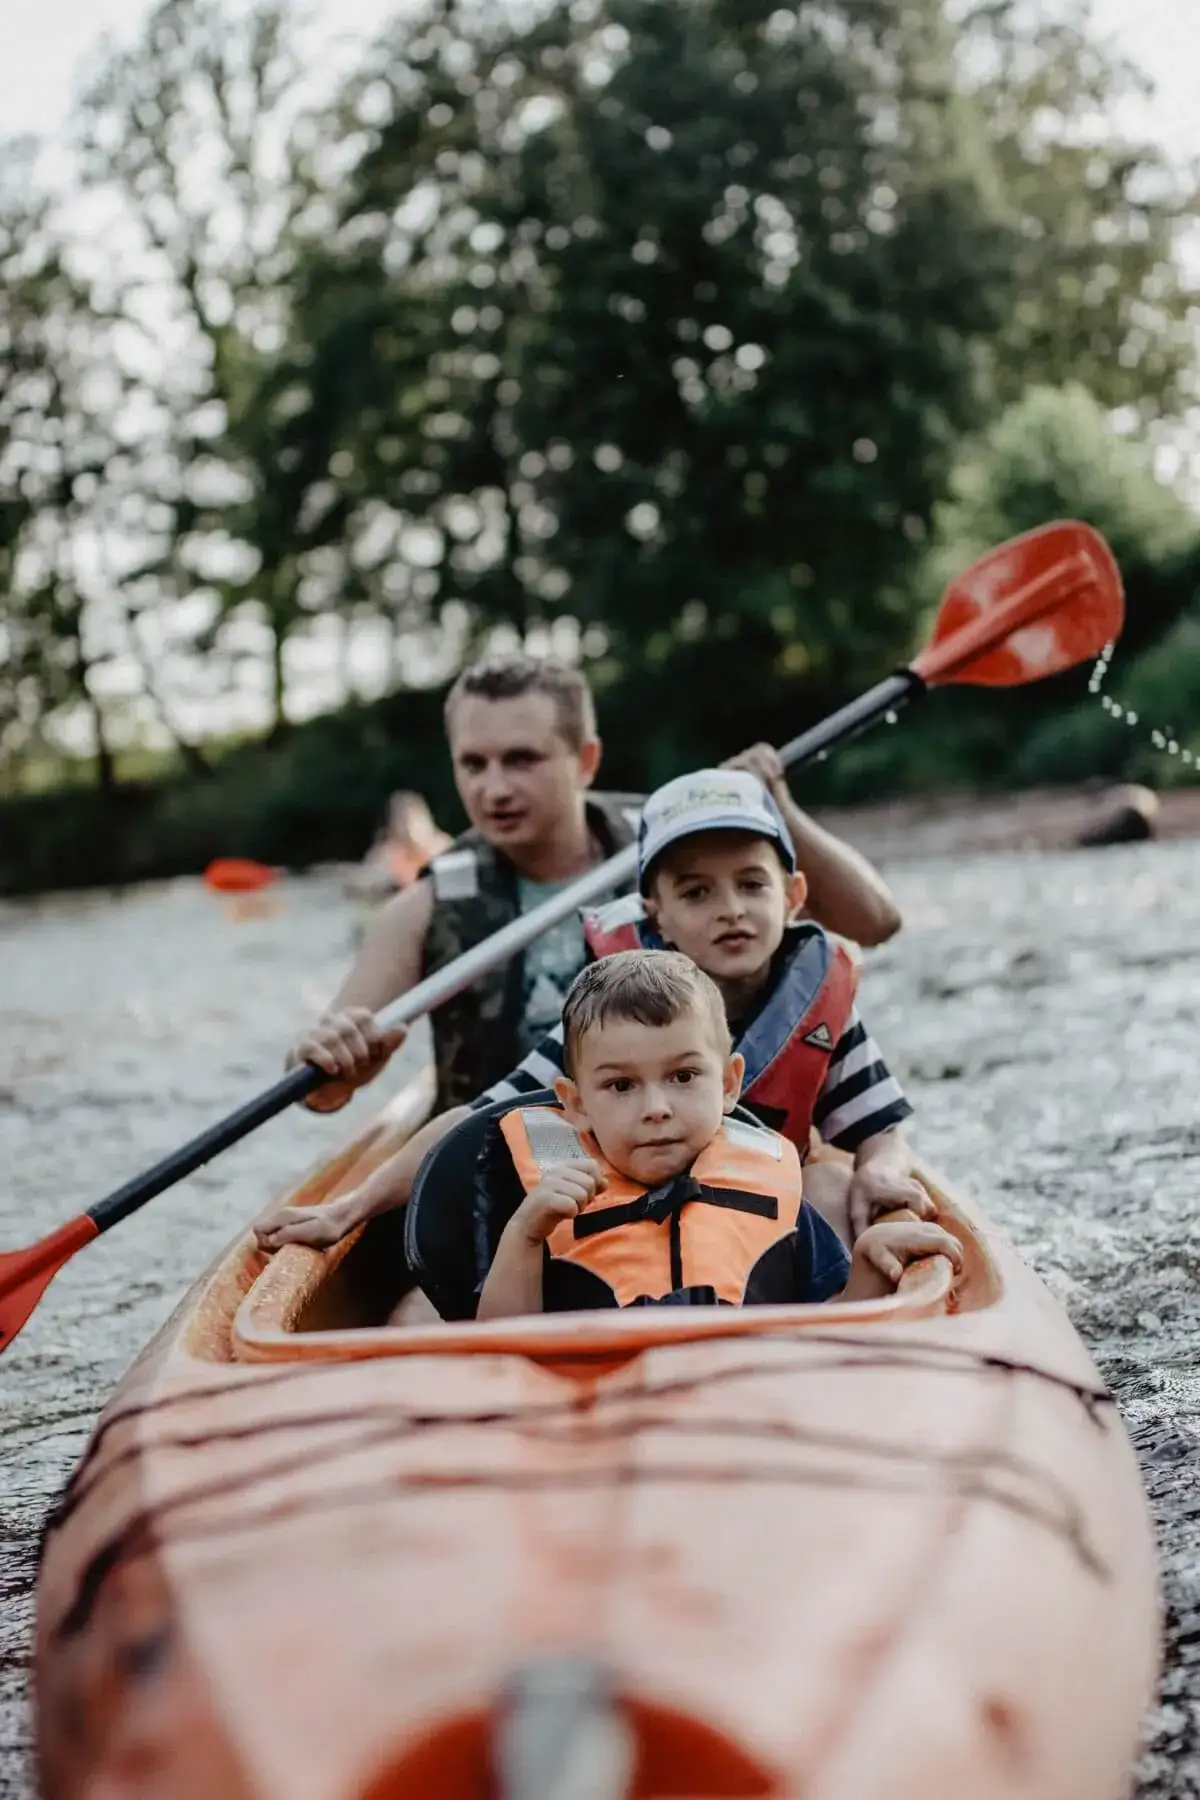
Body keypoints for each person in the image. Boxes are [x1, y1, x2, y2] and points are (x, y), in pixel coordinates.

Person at [257, 768, 916, 1259]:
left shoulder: (823, 1006)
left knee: (832, 1191)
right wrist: (350, 1208)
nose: (732, 910)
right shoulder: (609, 1010)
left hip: (756, 1229)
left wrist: (883, 1172)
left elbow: (879, 1127)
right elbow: (473, 1121)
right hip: (624, 1233)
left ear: (794, 895)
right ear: (654, 912)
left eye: (752, 884)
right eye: (696, 892)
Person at [282, 651, 902, 1122]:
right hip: (512, 1154)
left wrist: (775, 806)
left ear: (585, 761)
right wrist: (335, 1061)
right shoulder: (424, 906)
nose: (493, 789)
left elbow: (876, 923)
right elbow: (322, 1093)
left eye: (522, 760)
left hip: (678, 1133)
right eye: (474, 764)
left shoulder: (680, 847)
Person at [475, 951, 960, 1319]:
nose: (657, 1110)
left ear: (728, 1084)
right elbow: (499, 1354)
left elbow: (829, 1334)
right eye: (621, 1086)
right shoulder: (538, 1214)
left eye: (683, 1077)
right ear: (577, 1104)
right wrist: (523, 1236)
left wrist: (871, 1270)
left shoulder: (776, 1194)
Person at [342, 792, 452, 902]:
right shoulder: (389, 853)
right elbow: (367, 882)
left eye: (413, 821)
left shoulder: (443, 847)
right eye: (402, 822)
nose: (407, 829)